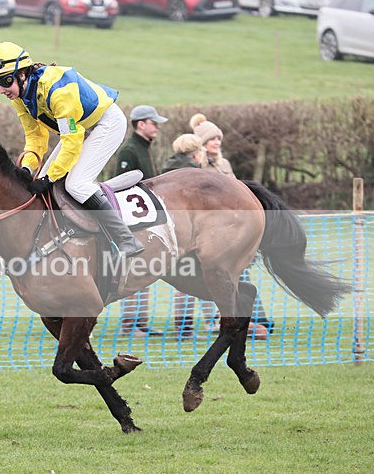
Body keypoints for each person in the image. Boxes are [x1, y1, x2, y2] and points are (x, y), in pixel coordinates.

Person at [0, 41, 143, 260]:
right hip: (80, 130)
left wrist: (49, 176)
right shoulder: (20, 97)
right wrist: (27, 169)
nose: (1, 89)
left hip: (106, 124)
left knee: (76, 184)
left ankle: (126, 239)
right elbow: (36, 137)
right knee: (44, 187)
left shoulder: (57, 90)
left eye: (5, 81)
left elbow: (72, 142)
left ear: (22, 74)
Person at [189, 113, 275, 335]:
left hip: (233, 227)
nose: (216, 143)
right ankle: (214, 319)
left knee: (240, 272)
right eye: (211, 139)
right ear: (202, 144)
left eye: (218, 138)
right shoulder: (197, 167)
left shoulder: (224, 164)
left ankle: (255, 318)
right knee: (209, 275)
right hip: (211, 230)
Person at [111, 105, 168, 337]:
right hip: (133, 220)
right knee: (135, 270)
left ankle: (141, 324)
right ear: (141, 124)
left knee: (146, 269)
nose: (157, 127)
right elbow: (121, 184)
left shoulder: (143, 147)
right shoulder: (129, 150)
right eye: (153, 122)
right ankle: (130, 325)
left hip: (147, 218)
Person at [161, 133, 206, 339]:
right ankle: (186, 326)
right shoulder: (193, 175)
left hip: (171, 233)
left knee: (182, 280)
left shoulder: (167, 169)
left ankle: (183, 325)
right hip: (188, 233)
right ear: (196, 153)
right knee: (194, 277)